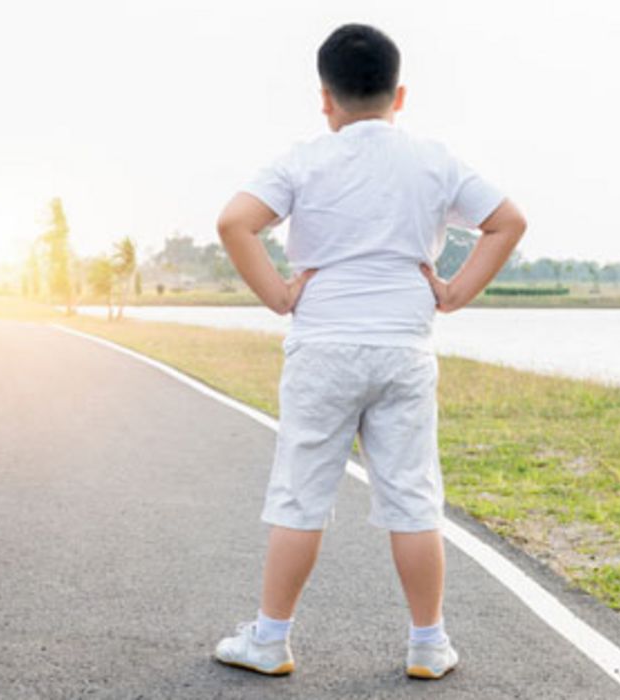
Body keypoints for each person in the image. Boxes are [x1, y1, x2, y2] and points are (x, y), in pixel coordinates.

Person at [211, 23, 527, 680]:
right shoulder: (433, 158)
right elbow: (507, 221)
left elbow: (233, 221)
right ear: (399, 94)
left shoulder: (302, 159)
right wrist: (452, 292)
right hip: (402, 351)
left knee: (300, 496)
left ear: (324, 98)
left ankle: (270, 640)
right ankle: (427, 644)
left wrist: (277, 294)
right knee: (412, 498)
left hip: (323, 348)